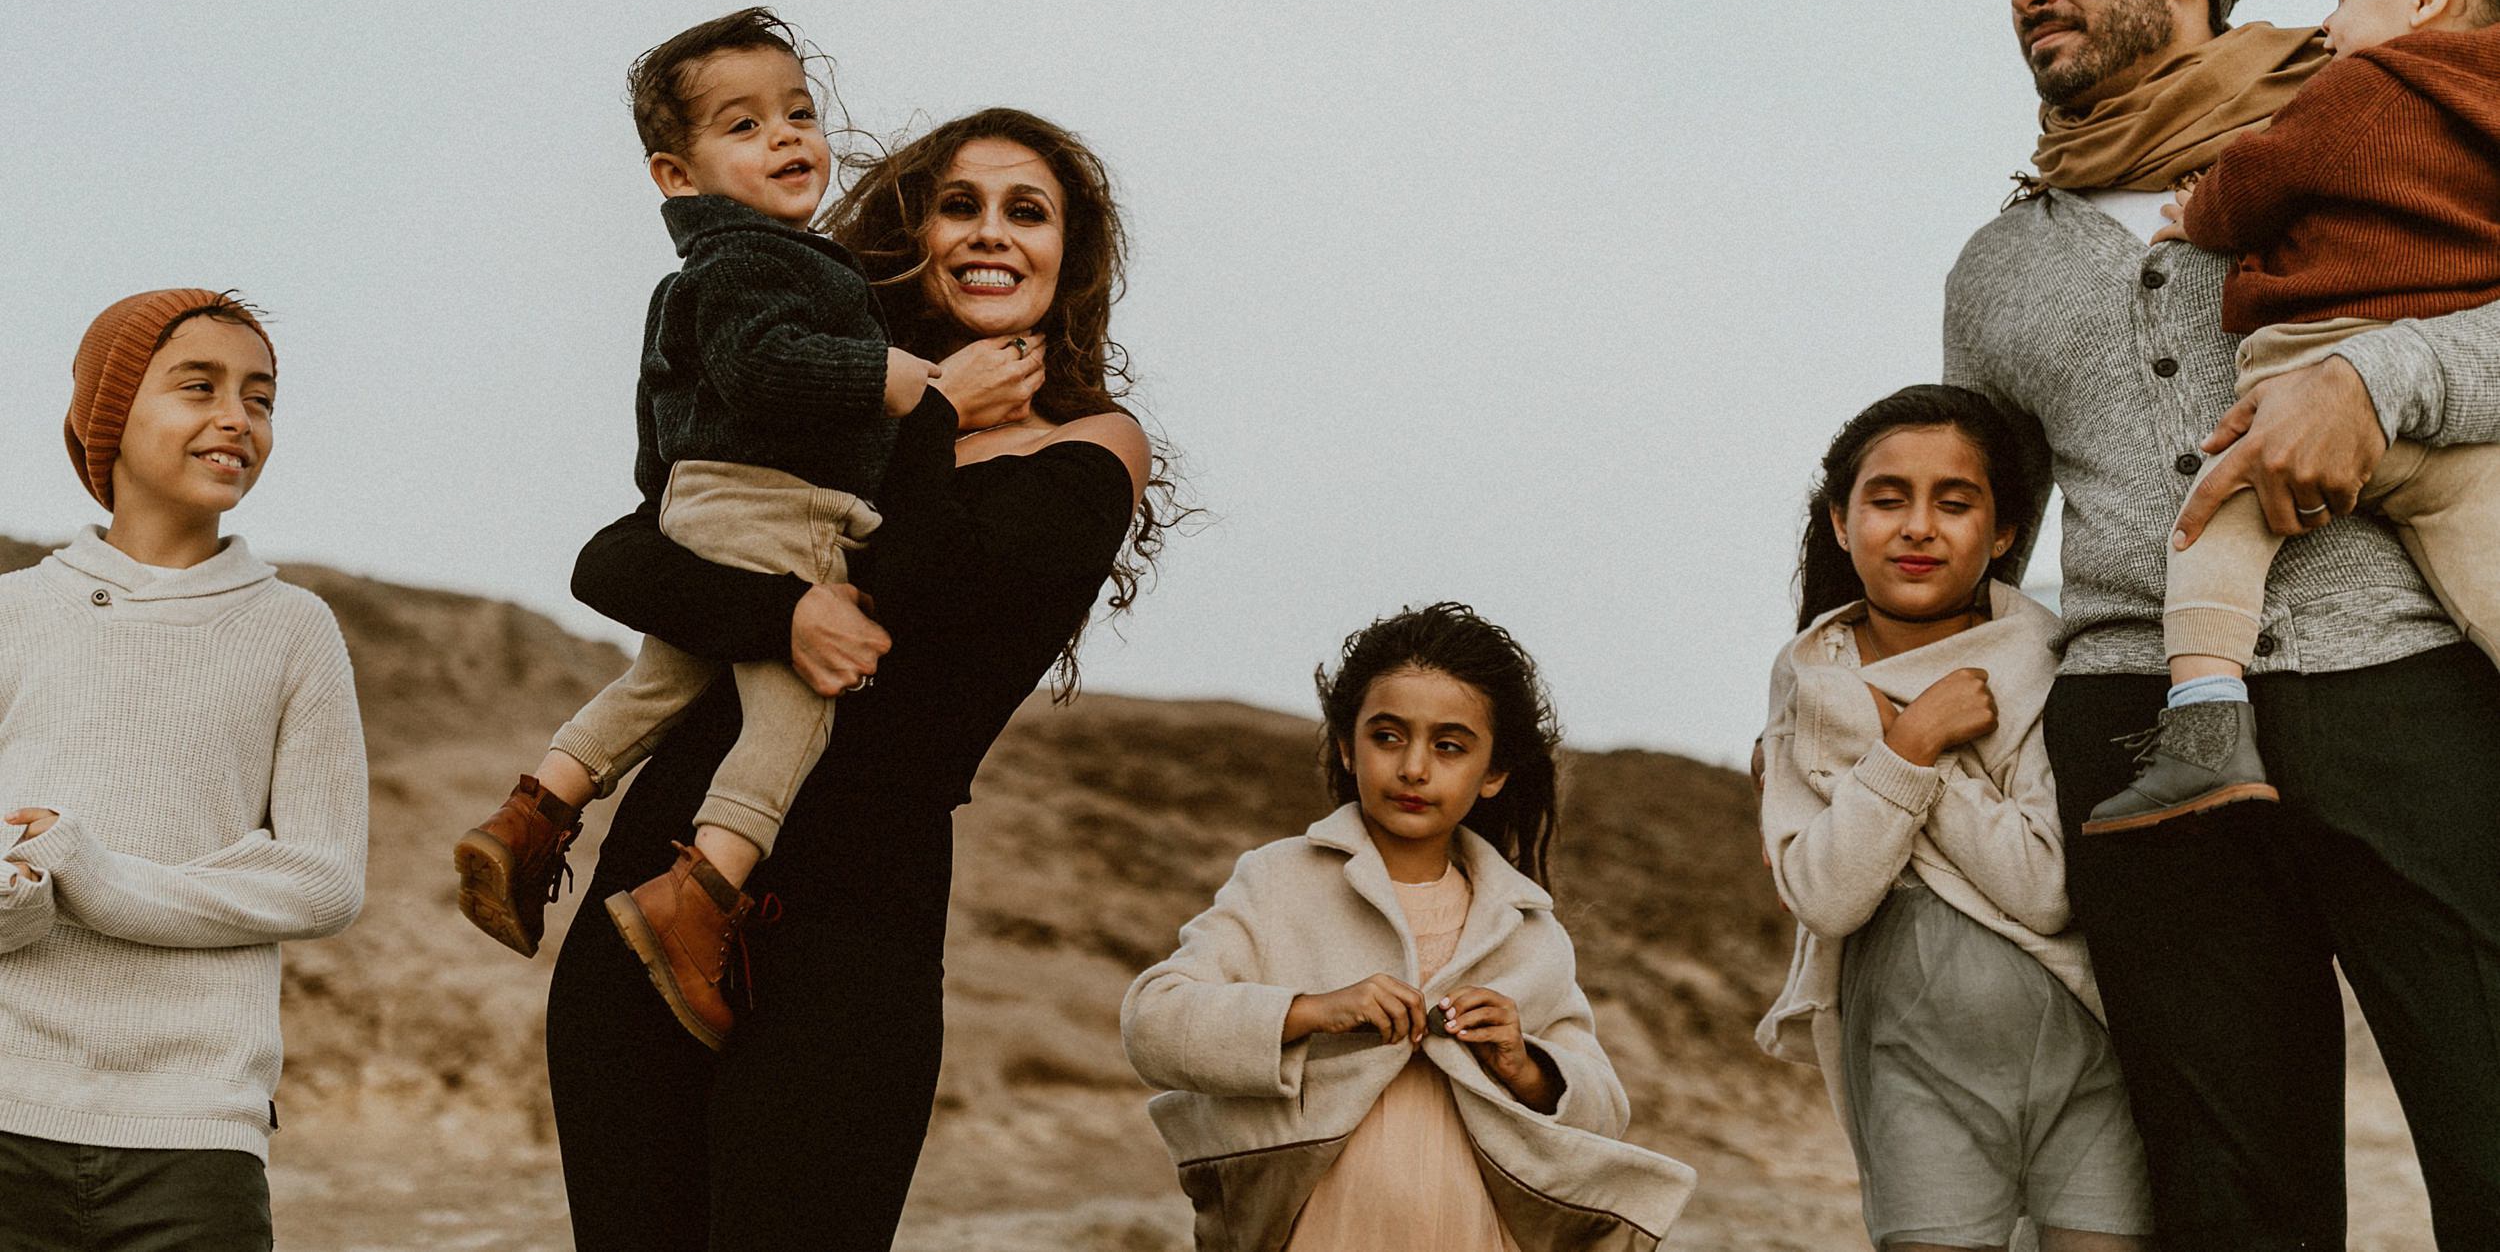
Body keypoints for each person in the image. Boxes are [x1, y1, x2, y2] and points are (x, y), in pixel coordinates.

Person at [1949, 0, 2500, 1245]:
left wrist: (2386, 381)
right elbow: (1985, 535)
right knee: (2228, 1200)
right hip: (2138, 722)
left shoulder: (2395, 104)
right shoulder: (1995, 270)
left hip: (2410, 680)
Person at [544, 107, 1161, 1250]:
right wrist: (784, 606)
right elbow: (618, 557)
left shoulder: (1089, 449)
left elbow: (922, 606)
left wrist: (923, 417)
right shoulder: (839, 410)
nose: (991, 234)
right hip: (652, 891)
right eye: (959, 205)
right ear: (912, 231)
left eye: (1027, 212)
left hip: (848, 931)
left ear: (1069, 257)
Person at [454, 7, 933, 1050]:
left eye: (798, 113)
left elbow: (659, 419)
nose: (788, 138)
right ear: (678, 175)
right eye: (745, 126)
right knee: (798, 709)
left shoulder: (695, 278)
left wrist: (669, 518)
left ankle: (532, 813)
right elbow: (762, 367)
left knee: (661, 683)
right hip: (778, 510)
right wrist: (890, 378)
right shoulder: (765, 260)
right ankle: (700, 893)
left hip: (699, 505)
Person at [2088, 0, 2500, 831]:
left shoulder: (2361, 86)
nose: (2326, 24)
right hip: (2464, 414)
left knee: (2213, 519)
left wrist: (2199, 212)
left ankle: (2203, 726)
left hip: (2312, 360)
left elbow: (2260, 181)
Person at [1123, 603, 1695, 1252]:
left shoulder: (1525, 928)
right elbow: (1153, 1023)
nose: (1415, 767)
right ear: (1347, 743)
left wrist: (1525, 1063)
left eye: (1449, 746)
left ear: (1494, 773)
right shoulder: (1278, 880)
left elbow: (1603, 1108)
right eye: (1388, 736)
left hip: (1476, 1228)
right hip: (1320, 1228)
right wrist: (1310, 1011)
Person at [0, 290, 367, 1252]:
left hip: (195, 1138)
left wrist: (94, 874)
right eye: (197, 387)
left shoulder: (294, 629)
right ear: (110, 417)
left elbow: (325, 880)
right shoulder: (13, 614)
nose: (236, 418)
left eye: (262, 397)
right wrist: (23, 892)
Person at [1758, 385, 2151, 1252]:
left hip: (2087, 1054)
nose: (1918, 526)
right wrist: (1913, 744)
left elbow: (2045, 888)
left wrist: (1904, 758)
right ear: (1840, 521)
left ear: (2005, 532)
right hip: (1911, 1066)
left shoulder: (2047, 662)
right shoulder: (1809, 681)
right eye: (1888, 498)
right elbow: (1825, 894)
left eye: (1955, 501)